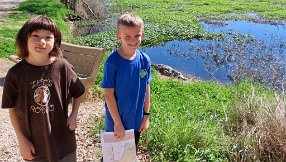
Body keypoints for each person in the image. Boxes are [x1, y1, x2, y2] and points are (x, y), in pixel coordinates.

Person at [1, 15, 85, 162]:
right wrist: (22, 141)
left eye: (48, 37)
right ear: (24, 38)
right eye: (35, 35)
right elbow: (12, 109)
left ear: (55, 41)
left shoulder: (62, 67)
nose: (41, 41)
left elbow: (79, 91)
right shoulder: (15, 74)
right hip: (34, 145)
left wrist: (74, 115)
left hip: (64, 142)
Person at [101, 13, 152, 154]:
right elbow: (108, 94)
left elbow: (147, 88)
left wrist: (146, 116)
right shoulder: (112, 62)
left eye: (137, 36)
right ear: (119, 37)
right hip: (116, 123)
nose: (133, 40)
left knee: (128, 154)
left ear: (142, 34)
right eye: (127, 36)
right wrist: (117, 123)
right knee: (112, 155)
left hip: (136, 121)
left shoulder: (145, 60)